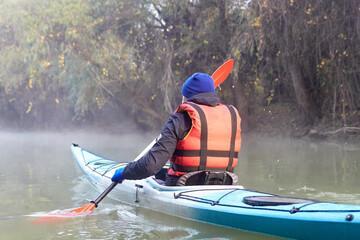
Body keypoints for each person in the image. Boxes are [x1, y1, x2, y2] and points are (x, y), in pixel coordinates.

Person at [111, 73, 241, 186]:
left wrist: (125, 172)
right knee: (163, 172)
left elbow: (150, 167)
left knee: (152, 180)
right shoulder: (231, 117)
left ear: (187, 96)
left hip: (184, 185)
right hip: (225, 184)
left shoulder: (181, 119)